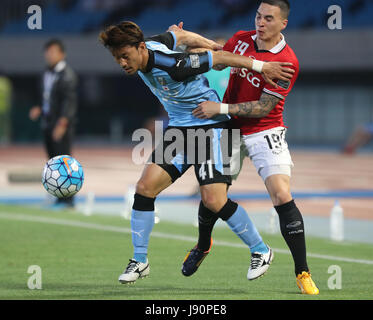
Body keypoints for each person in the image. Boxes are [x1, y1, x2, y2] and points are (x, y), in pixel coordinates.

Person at [98, 21, 295, 284]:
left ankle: (261, 250)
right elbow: (180, 34)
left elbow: (223, 57)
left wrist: (262, 66)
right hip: (181, 129)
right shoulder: (154, 42)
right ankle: (140, 260)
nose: (122, 63)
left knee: (213, 201)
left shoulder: (175, 65)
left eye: (125, 56)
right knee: (145, 188)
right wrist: (210, 42)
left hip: (213, 126)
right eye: (117, 58)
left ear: (141, 47)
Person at [188, 0, 320, 295]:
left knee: (282, 194)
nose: (261, 22)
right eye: (259, 16)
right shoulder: (242, 39)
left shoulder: (288, 61)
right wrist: (188, 47)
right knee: (212, 194)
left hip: (264, 129)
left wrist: (218, 107)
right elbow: (219, 58)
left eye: (268, 18)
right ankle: (202, 245)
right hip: (229, 127)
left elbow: (263, 107)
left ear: (283, 23)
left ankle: (302, 272)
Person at [29, 39, 78, 209]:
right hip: (48, 122)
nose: (49, 55)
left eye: (53, 52)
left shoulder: (67, 74)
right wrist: (39, 109)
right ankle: (58, 196)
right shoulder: (45, 73)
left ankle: (69, 199)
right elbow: (47, 98)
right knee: (52, 163)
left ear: (62, 54)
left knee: (63, 162)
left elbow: (69, 102)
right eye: (47, 52)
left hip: (60, 126)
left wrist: (62, 123)